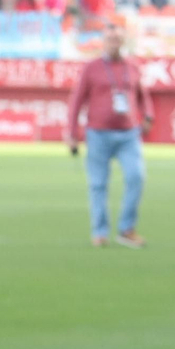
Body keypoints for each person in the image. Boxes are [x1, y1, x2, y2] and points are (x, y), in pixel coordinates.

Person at [66, 20, 154, 248]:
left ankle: (127, 228)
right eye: (110, 39)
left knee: (136, 177)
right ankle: (100, 231)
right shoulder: (91, 68)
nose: (114, 43)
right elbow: (77, 100)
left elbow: (143, 96)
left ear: (123, 41)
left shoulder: (132, 67)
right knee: (98, 184)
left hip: (128, 134)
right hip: (98, 133)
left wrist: (148, 116)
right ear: (103, 42)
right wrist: (71, 131)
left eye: (117, 39)